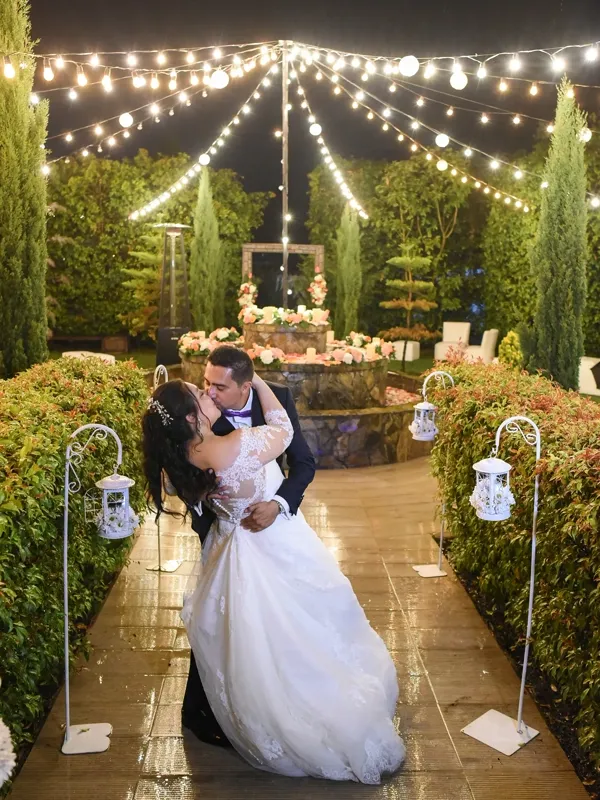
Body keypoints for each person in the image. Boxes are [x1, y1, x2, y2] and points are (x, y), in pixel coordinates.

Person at [142, 371, 405, 783]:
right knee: (283, 632)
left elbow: (294, 465)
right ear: (191, 418)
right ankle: (296, 711)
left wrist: (268, 501)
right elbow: (281, 429)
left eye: (212, 385)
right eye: (199, 392)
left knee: (255, 640)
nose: (207, 391)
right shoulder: (233, 445)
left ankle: (256, 711)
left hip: (241, 550)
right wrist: (262, 383)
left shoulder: (181, 457)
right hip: (256, 550)